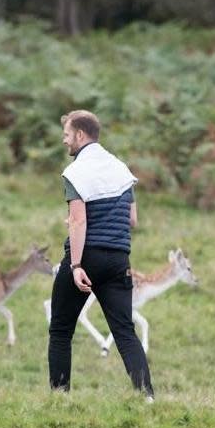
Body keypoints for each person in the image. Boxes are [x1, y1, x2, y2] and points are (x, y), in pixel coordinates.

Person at [47, 109, 154, 400]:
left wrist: (77, 264)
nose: (65, 141)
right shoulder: (120, 168)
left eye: (67, 135)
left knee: (60, 330)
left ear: (80, 135)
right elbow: (132, 220)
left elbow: (79, 220)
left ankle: (59, 398)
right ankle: (147, 397)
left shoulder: (75, 172)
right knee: (125, 331)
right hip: (119, 258)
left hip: (87, 257)